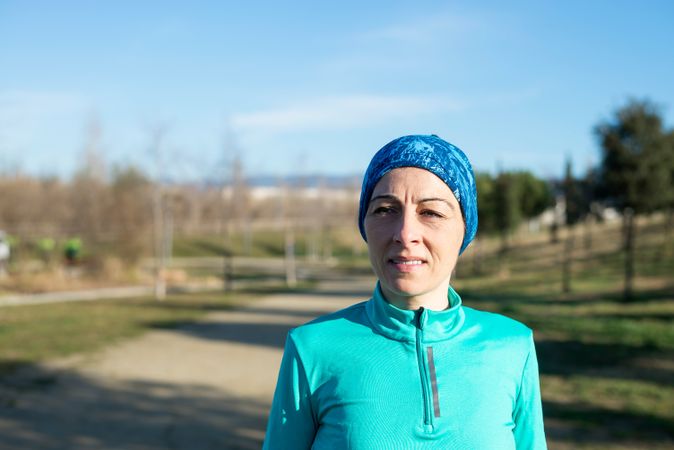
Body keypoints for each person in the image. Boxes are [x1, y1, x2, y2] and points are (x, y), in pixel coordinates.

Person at [263, 135, 547, 449]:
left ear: (466, 228)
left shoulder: (511, 345)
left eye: (432, 213)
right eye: (385, 210)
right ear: (365, 225)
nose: (405, 233)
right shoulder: (311, 347)